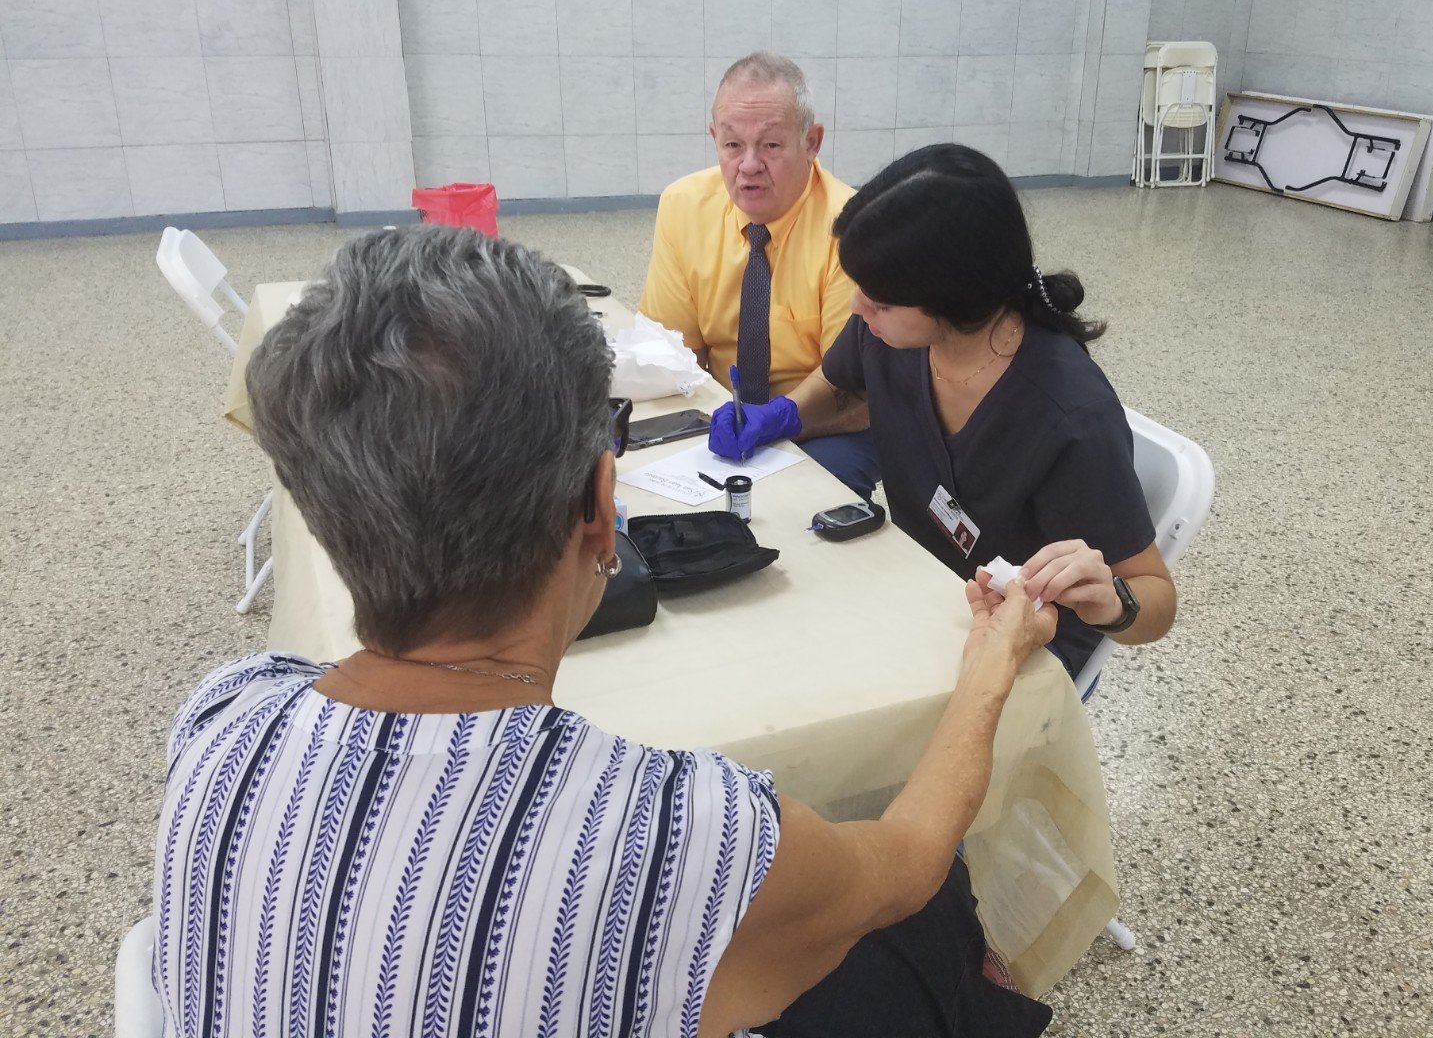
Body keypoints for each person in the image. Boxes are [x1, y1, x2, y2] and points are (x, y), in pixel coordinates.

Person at [152, 224, 1053, 1037]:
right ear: (599, 503)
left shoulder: (222, 717)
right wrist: (991, 664)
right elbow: (905, 865)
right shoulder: (684, 836)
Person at [708, 145, 1177, 678]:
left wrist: (1113, 602)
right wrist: (785, 413)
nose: (859, 307)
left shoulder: (1069, 417)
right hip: (916, 588)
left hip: (1016, 649)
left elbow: (1155, 598)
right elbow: (837, 383)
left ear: (955, 296)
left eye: (880, 300)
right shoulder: (889, 332)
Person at [638, 51, 876, 499]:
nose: (748, 165)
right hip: (724, 413)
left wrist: (780, 418)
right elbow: (674, 354)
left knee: (804, 502)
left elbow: (857, 392)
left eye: (770, 146)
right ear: (714, 138)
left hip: (827, 422)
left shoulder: (851, 226)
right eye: (732, 145)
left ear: (812, 141)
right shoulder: (683, 205)